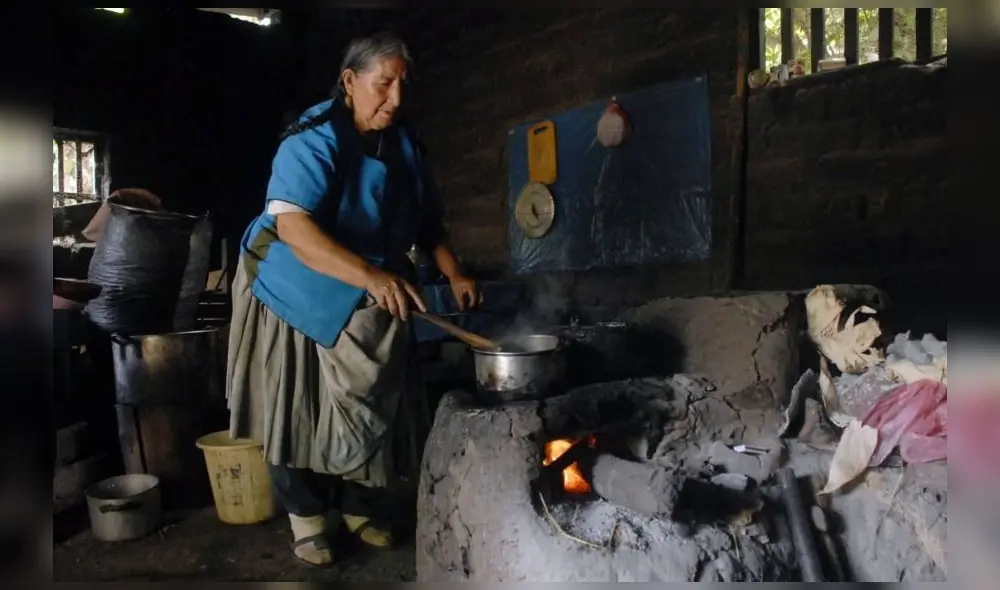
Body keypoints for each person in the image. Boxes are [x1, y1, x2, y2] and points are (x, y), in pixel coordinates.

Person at [225, 32, 479, 567]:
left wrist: (453, 270)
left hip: (366, 283)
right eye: (382, 85)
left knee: (381, 400)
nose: (395, 99)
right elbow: (294, 228)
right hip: (294, 284)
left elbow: (426, 219)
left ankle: (362, 506)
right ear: (349, 81)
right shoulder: (312, 139)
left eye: (402, 86)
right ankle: (309, 517)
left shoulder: (403, 142)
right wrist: (371, 277)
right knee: (294, 408)